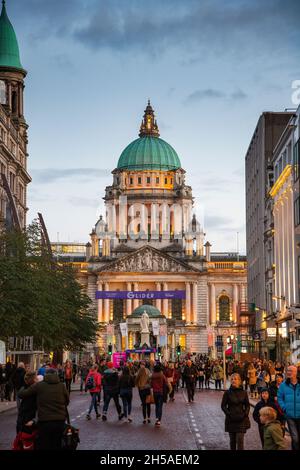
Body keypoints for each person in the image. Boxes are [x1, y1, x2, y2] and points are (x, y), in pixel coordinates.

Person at [18, 368, 69, 450]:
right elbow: (67, 401)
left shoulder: (39, 385)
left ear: (45, 375)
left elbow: (22, 394)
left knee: (45, 445)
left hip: (45, 421)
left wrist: (23, 385)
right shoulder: (62, 386)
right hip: (59, 421)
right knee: (57, 444)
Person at [221, 373, 251, 450]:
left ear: (239, 381)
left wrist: (245, 414)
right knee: (232, 441)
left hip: (241, 420)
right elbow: (223, 406)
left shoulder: (244, 392)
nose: (233, 380)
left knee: (240, 441)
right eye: (232, 379)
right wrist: (228, 414)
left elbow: (247, 405)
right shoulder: (227, 393)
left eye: (235, 379)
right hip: (231, 419)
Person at [277, 365, 300, 450]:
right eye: (288, 371)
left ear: (296, 372)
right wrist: (284, 408)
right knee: (295, 438)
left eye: (291, 371)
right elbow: (279, 397)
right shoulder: (283, 385)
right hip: (290, 415)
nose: (289, 372)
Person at [16, 371, 38, 436]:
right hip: (29, 422)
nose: (37, 379)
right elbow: (38, 407)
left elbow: (19, 406)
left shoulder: (23, 389)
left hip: (21, 421)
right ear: (33, 380)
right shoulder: (35, 391)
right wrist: (34, 421)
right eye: (36, 378)